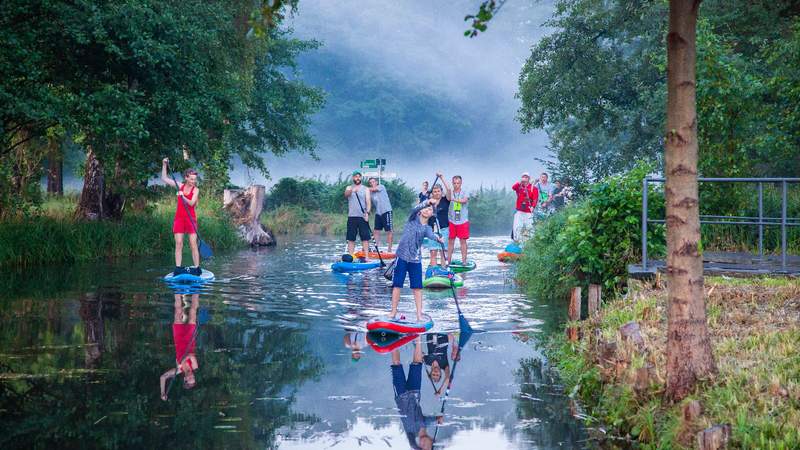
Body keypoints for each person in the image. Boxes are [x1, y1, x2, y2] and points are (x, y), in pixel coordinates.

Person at [391, 198, 444, 321]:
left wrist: (438, 238)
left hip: (415, 260)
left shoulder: (427, 228)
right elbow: (415, 208)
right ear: (420, 211)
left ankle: (419, 314)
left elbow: (431, 235)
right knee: (397, 285)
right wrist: (427, 202)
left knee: (417, 288)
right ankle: (393, 311)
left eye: (430, 209)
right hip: (402, 257)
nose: (427, 210)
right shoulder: (412, 218)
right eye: (425, 208)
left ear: (432, 214)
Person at [390, 336, 442, 450]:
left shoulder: (411, 434)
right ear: (431, 441)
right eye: (427, 448)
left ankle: (393, 337)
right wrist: (438, 418)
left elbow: (413, 446)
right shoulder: (424, 423)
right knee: (417, 363)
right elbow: (432, 419)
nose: (423, 447)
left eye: (422, 448)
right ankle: (418, 335)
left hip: (401, 395)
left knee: (396, 364)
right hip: (415, 393)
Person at [161, 158, 202, 276]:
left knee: (193, 244)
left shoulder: (196, 190)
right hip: (179, 219)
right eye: (192, 179)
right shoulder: (180, 185)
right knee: (179, 243)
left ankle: (197, 268)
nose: (194, 181)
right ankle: (178, 268)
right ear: (186, 178)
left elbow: (191, 203)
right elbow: (164, 178)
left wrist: (182, 195)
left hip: (191, 219)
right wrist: (164, 164)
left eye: (195, 179)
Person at [160, 293, 200, 400]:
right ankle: (196, 291)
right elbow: (191, 356)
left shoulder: (178, 370)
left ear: (185, 379)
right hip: (190, 337)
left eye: (190, 378)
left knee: (178, 312)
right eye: (193, 378)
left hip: (178, 337)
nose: (192, 376)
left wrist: (163, 392)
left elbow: (163, 377)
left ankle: (177, 291)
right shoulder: (195, 367)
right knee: (192, 314)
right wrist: (184, 360)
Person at [422, 178, 451, 268]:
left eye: (438, 191)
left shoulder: (445, 200)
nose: (437, 193)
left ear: (441, 192)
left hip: (444, 229)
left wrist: (442, 177)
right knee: (433, 252)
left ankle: (443, 270)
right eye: (435, 191)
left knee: (443, 252)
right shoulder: (429, 202)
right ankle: (434, 271)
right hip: (431, 230)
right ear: (432, 193)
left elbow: (449, 190)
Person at [344, 170, 372, 258]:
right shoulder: (349, 187)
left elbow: (368, 202)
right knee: (351, 238)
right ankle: (351, 256)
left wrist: (367, 213)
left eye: (359, 176)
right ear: (353, 178)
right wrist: (352, 190)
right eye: (356, 176)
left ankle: (367, 257)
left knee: (365, 238)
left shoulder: (366, 189)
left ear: (361, 178)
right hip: (352, 216)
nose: (357, 178)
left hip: (362, 216)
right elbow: (346, 195)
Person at [445, 175, 470, 265]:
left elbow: (464, 200)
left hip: (463, 220)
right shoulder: (450, 192)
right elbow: (448, 198)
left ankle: (464, 261)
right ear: (452, 183)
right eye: (454, 183)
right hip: (452, 220)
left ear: (461, 183)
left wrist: (454, 199)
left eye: (458, 183)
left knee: (462, 241)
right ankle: (448, 261)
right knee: (451, 240)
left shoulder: (465, 191)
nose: (456, 185)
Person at [368, 177, 394, 252]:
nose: (372, 183)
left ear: (376, 182)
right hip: (378, 213)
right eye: (370, 182)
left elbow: (373, 189)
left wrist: (363, 188)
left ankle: (389, 250)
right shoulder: (371, 193)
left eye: (373, 182)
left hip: (387, 211)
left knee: (389, 231)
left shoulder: (381, 187)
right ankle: (377, 248)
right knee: (376, 231)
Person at [511, 172, 539, 241]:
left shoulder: (533, 188)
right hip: (519, 211)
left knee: (529, 227)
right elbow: (513, 187)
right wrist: (520, 182)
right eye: (523, 177)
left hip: (528, 211)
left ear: (529, 179)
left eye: (526, 177)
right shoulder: (519, 186)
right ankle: (517, 241)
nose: (525, 178)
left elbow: (535, 199)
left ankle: (530, 241)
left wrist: (533, 206)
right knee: (517, 227)